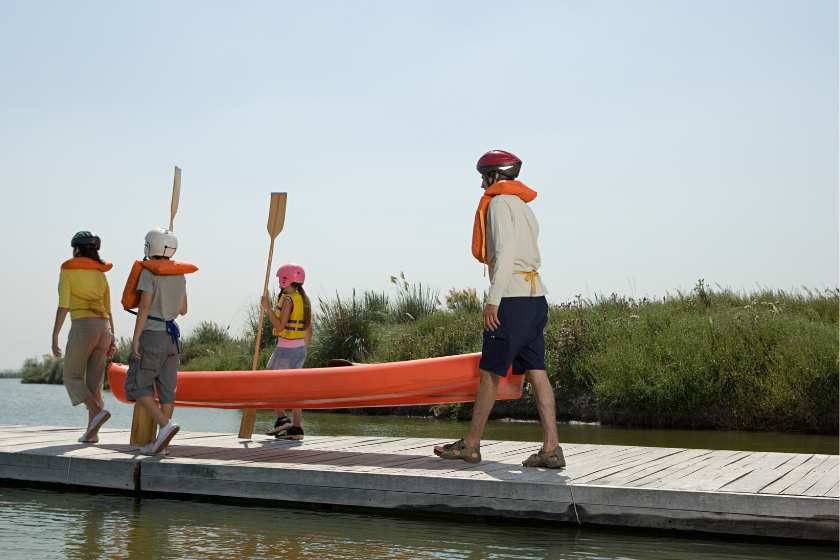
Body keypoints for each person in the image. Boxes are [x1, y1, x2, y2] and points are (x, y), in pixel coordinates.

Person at [434, 150, 566, 468]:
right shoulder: (523, 205)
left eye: (483, 178)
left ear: (494, 176)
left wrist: (493, 299)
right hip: (536, 300)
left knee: (489, 372)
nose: (482, 186)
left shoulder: (498, 204)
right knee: (537, 371)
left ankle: (470, 445)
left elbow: (505, 253)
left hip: (512, 300)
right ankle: (551, 448)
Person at [123, 228, 196, 456]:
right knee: (166, 390)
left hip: (152, 336)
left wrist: (136, 338)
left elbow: (144, 307)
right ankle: (161, 445)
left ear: (150, 247)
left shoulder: (148, 273)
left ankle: (165, 425)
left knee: (137, 385)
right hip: (172, 339)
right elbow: (183, 310)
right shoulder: (179, 274)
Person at [52, 231, 117, 443]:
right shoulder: (101, 274)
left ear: (77, 248)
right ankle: (92, 434)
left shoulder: (68, 273)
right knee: (95, 384)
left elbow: (64, 306)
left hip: (83, 328)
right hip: (104, 329)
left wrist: (55, 335)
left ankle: (98, 412)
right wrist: (113, 337)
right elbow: (108, 310)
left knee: (71, 376)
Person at [261, 263, 312, 440]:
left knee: (268, 383)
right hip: (299, 349)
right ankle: (296, 429)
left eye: (279, 279)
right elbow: (308, 330)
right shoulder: (302, 300)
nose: (278, 283)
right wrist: (303, 352)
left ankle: (282, 419)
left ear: (286, 280)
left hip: (285, 349)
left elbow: (280, 326)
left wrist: (267, 307)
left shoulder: (288, 300)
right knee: (295, 389)